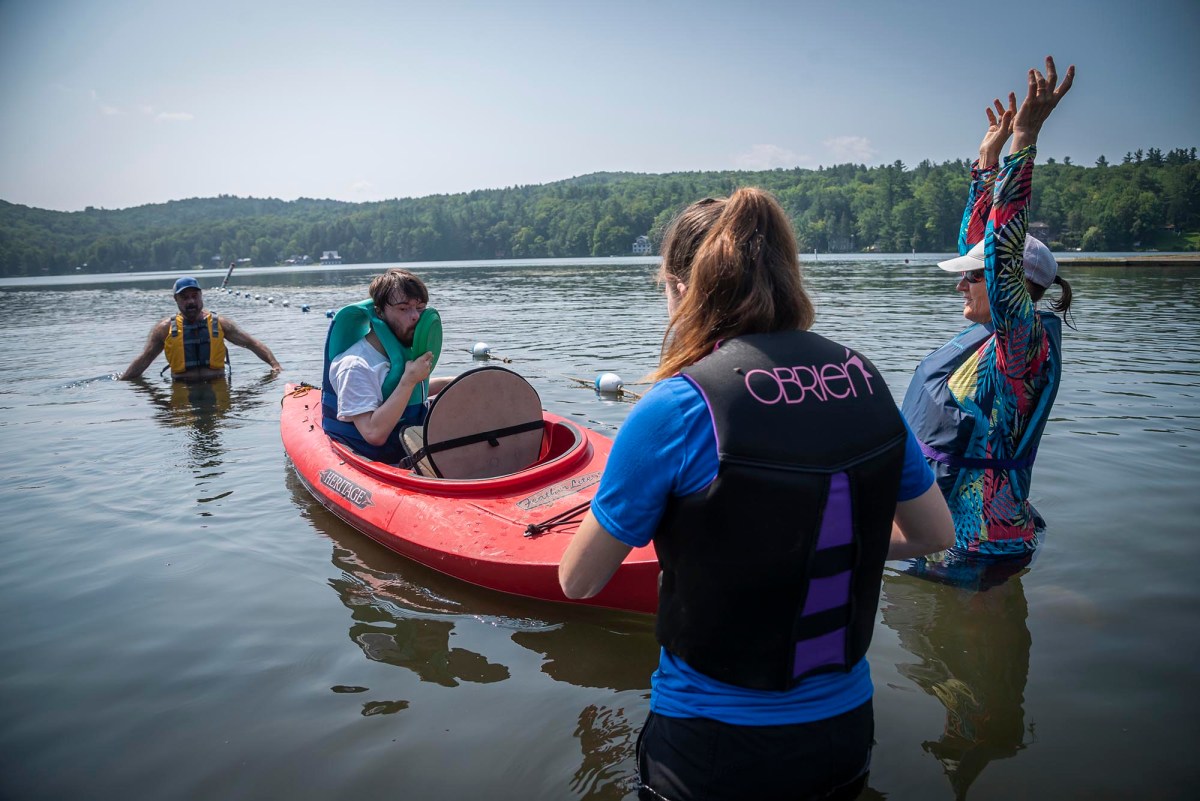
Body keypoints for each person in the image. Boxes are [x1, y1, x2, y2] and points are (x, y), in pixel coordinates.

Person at [559, 189, 954, 800]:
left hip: (712, 745)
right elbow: (934, 534)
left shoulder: (678, 407)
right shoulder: (864, 380)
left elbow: (578, 579)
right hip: (843, 734)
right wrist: (820, 557)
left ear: (680, 287)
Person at [901, 57, 1076, 569]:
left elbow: (999, 251)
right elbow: (982, 247)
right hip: (948, 540)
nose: (961, 282)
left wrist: (1023, 139)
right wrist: (985, 161)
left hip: (983, 549)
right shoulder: (993, 342)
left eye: (973, 277)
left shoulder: (1021, 347)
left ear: (1012, 288)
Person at [321, 269, 451, 463]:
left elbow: (403, 393)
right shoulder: (356, 365)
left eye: (420, 308)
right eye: (403, 308)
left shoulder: (399, 352)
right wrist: (408, 381)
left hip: (407, 450)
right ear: (379, 312)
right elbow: (373, 434)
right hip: (374, 459)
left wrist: (459, 382)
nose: (415, 316)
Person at [120, 276, 281, 381]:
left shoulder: (220, 323)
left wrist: (275, 365)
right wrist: (124, 379)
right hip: (182, 389)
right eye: (184, 297)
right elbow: (145, 358)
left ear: (201, 296)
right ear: (176, 299)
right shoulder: (164, 329)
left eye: (194, 296)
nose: (191, 301)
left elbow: (252, 344)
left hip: (217, 386)